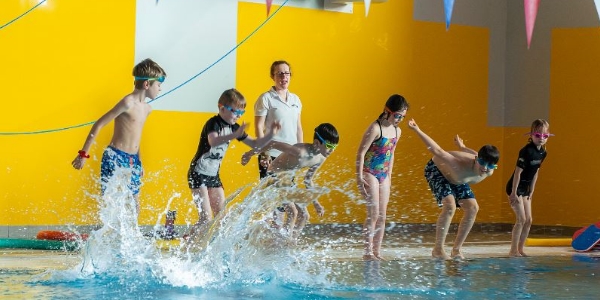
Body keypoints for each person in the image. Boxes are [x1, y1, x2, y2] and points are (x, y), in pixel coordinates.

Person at [71, 58, 166, 217]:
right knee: (112, 202)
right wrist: (83, 154)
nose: (160, 89)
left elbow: (137, 137)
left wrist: (140, 161)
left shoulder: (147, 109)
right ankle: (108, 235)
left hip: (133, 160)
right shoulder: (128, 103)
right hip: (115, 157)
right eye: (159, 85)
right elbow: (99, 124)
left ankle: (132, 237)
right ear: (147, 85)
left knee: (135, 203)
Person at [187, 88, 280, 238]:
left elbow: (255, 144)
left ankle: (209, 247)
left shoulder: (234, 127)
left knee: (221, 218)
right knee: (206, 219)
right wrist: (235, 135)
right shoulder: (213, 123)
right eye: (235, 111)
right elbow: (213, 140)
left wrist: (271, 134)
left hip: (213, 176)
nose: (238, 116)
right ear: (221, 108)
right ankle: (187, 242)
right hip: (198, 173)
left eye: (241, 113)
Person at [407, 119, 500, 259]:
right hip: (437, 171)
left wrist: (463, 147)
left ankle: (456, 249)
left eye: (490, 165)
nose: (485, 168)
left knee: (473, 208)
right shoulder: (458, 163)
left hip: (458, 179)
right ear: (477, 160)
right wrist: (417, 130)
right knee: (450, 205)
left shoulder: (488, 170)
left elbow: (475, 153)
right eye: (482, 162)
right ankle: (438, 250)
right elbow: (437, 150)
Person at [242, 123, 339, 239]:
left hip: (287, 180)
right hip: (274, 176)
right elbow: (273, 144)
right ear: (317, 142)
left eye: (334, 147)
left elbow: (308, 180)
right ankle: (284, 243)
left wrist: (316, 203)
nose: (332, 150)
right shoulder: (299, 151)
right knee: (293, 212)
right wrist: (249, 154)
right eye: (329, 146)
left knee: (304, 215)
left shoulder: (321, 158)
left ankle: (291, 242)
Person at [356, 94, 409, 261]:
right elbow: (361, 153)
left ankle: (377, 251)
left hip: (384, 175)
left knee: (383, 215)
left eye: (403, 116)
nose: (400, 119)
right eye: (398, 115)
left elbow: (391, 154)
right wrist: (359, 177)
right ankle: (367, 252)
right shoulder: (375, 128)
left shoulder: (397, 131)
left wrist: (389, 176)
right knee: (374, 213)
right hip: (369, 172)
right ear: (387, 111)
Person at [506, 119, 550, 257]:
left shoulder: (543, 152)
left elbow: (536, 171)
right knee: (521, 219)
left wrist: (532, 190)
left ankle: (520, 249)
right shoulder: (526, 151)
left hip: (526, 189)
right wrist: (513, 193)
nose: (541, 139)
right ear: (531, 135)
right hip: (515, 187)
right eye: (538, 135)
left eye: (545, 136)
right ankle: (513, 250)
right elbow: (517, 172)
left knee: (529, 220)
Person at [254, 60, 303, 180]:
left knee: (287, 195)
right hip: (271, 154)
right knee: (269, 195)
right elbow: (259, 127)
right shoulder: (266, 98)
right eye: (279, 73)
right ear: (273, 76)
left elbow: (298, 128)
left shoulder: (295, 100)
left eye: (287, 73)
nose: (284, 76)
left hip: (290, 155)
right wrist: (264, 152)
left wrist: (301, 152)